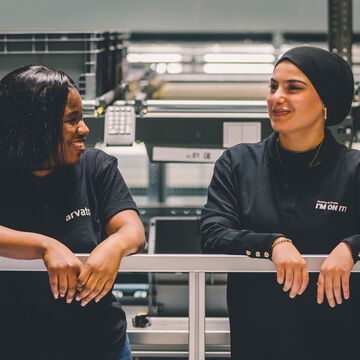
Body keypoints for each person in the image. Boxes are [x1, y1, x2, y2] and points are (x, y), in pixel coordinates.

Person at [200, 46, 360, 360]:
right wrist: (272, 244)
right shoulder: (238, 162)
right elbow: (211, 232)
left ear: (326, 102)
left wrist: (351, 247)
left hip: (338, 339)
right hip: (258, 339)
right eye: (273, 86)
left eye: (293, 88)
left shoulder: (353, 169)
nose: (276, 97)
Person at [0, 65, 145, 359]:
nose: (84, 129)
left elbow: (133, 231)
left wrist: (114, 247)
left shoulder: (96, 167)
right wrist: (45, 246)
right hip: (16, 344)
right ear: (36, 126)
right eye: (72, 120)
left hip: (100, 344)